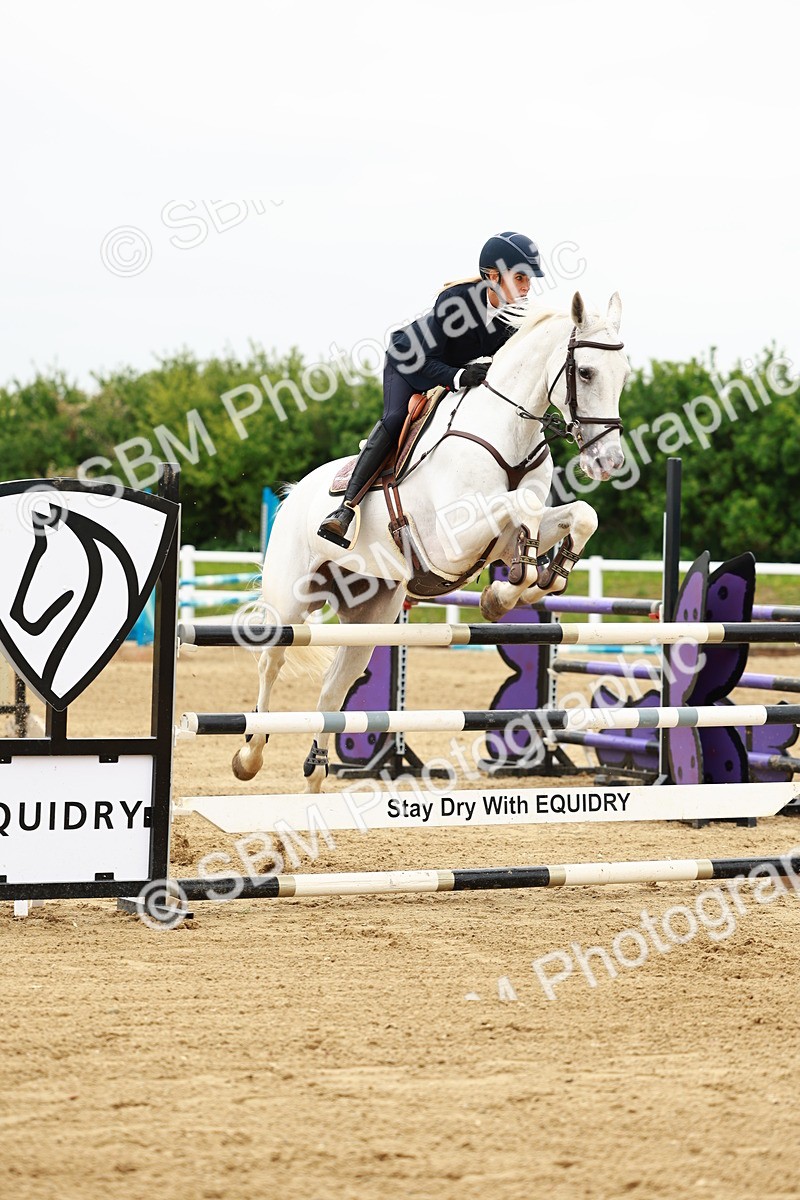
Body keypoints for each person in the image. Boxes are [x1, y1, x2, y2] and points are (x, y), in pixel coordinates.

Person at [317, 231, 545, 548]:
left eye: (528, 279)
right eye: (520, 277)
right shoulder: (456, 302)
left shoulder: (514, 317)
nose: (526, 288)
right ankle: (345, 509)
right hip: (409, 362)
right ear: (493, 276)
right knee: (396, 418)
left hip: (448, 370)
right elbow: (426, 362)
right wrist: (461, 376)